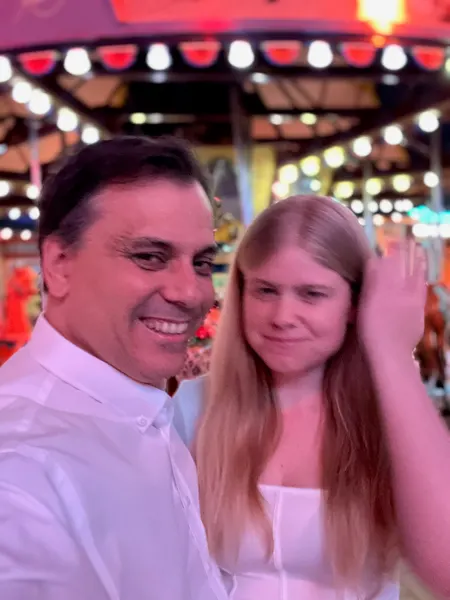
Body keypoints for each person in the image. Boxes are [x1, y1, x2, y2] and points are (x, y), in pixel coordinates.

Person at [174, 195, 450, 599]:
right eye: (266, 290)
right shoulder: (193, 407)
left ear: (356, 304)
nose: (283, 317)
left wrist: (392, 353)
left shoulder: (390, 417)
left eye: (312, 294)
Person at [0, 136, 228, 600]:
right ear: (59, 264)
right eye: (150, 257)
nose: (192, 293)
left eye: (202, 262)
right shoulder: (21, 472)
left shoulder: (139, 407)